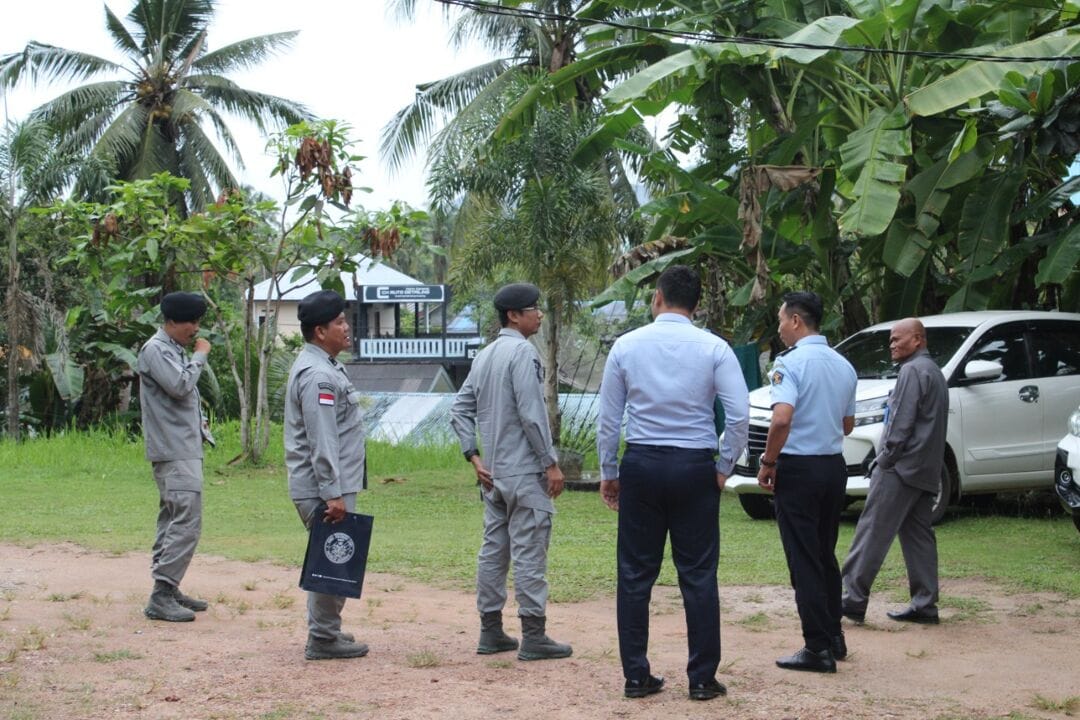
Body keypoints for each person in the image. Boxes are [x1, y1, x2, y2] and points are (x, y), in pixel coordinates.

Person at [596, 265, 749, 701]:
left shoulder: (626, 345)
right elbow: (739, 415)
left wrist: (610, 472)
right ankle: (701, 678)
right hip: (694, 466)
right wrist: (724, 465)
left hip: (642, 464)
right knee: (698, 573)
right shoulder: (715, 348)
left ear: (657, 297)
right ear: (697, 305)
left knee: (634, 573)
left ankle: (636, 676)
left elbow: (609, 419)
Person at [450, 282, 572, 662]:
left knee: (494, 551)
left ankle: (491, 631)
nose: (540, 314)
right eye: (533, 309)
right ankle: (534, 635)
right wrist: (550, 462)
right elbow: (531, 415)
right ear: (514, 316)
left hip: (494, 474)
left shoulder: (485, 356)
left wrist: (474, 456)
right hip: (524, 471)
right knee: (529, 551)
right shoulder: (523, 352)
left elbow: (459, 409)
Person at [756, 291, 857, 674]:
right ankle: (834, 636)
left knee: (803, 557)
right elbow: (847, 425)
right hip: (833, 467)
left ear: (796, 320)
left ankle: (816, 648)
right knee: (824, 553)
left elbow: (781, 418)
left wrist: (768, 461)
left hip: (799, 469)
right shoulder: (843, 364)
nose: (780, 328)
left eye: (782, 320)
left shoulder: (789, 362)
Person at [841, 318, 948, 625]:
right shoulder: (934, 371)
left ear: (918, 340)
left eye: (897, 339)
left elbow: (901, 423)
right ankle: (925, 604)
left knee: (872, 530)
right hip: (925, 469)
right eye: (890, 339)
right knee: (918, 536)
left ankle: (851, 598)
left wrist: (885, 459)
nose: (892, 344)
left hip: (901, 468)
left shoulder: (912, 371)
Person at [285, 289, 369, 661]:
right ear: (320, 331)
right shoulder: (318, 375)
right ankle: (322, 638)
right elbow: (322, 438)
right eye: (339, 322)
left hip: (331, 483)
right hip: (325, 487)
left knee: (333, 556)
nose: (346, 327)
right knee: (332, 558)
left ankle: (326, 630)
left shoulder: (324, 365)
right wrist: (332, 492)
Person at [138, 291, 214, 622]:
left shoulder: (171, 349)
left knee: (173, 518)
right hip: (174, 449)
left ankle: (168, 587)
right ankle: (162, 594)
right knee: (186, 520)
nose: (195, 329)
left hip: (183, 447)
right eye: (190, 322)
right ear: (171, 321)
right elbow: (180, 386)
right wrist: (200, 356)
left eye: (197, 322)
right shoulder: (155, 349)